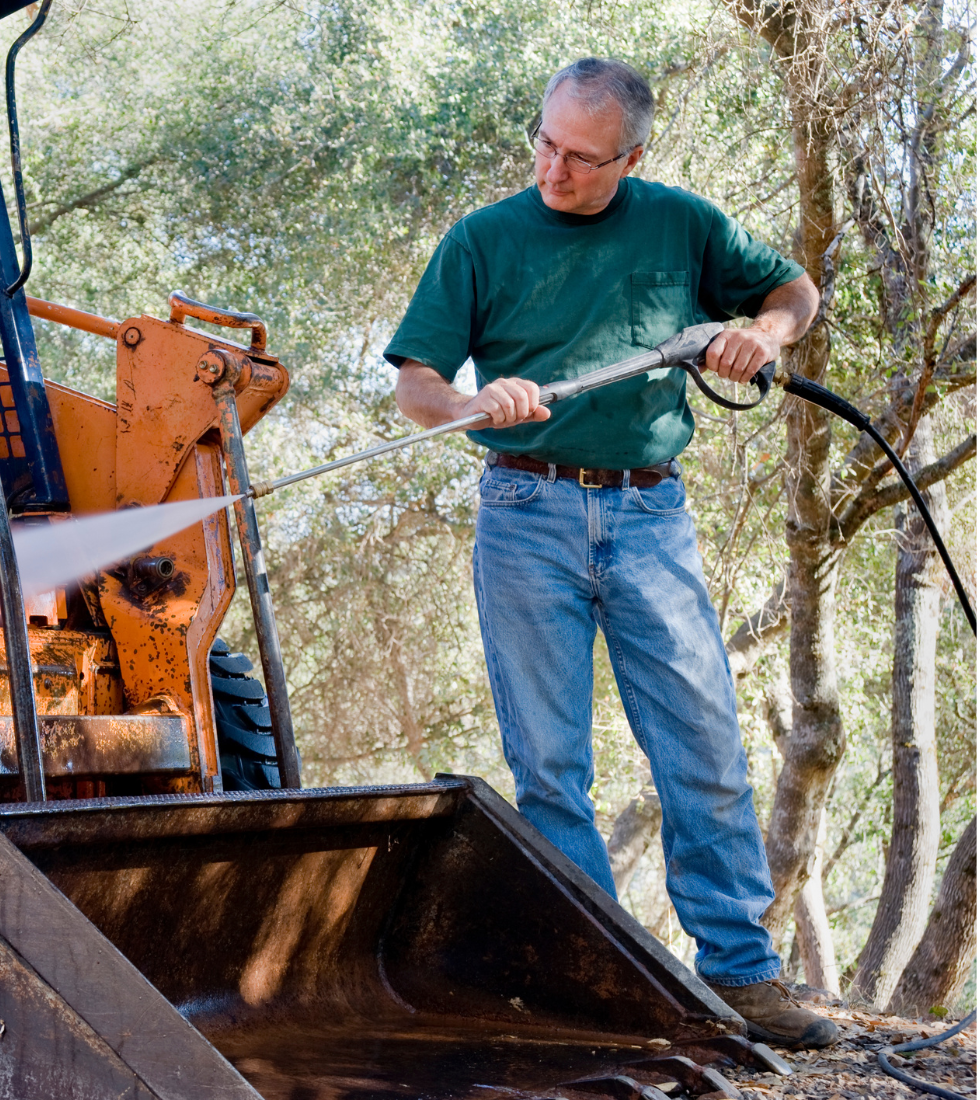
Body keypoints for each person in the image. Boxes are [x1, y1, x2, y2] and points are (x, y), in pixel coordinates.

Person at [384, 57, 837, 1049]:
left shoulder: (684, 224)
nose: (554, 169)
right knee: (549, 764)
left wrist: (760, 332)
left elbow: (793, 290)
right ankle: (600, 980)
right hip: (522, 509)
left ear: (634, 156)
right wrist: (469, 403)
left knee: (704, 745)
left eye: (582, 159)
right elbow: (417, 379)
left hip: (649, 516)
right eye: (544, 144)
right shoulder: (483, 239)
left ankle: (746, 974)